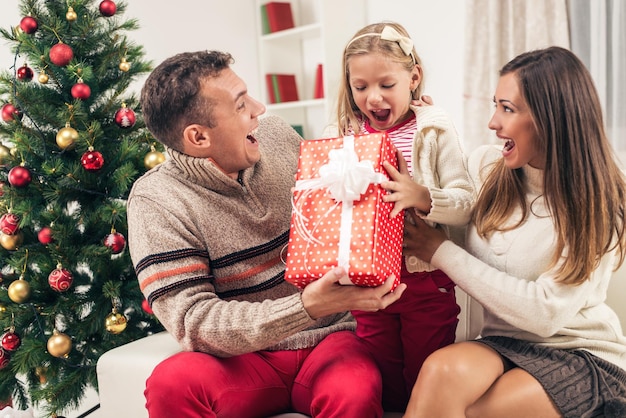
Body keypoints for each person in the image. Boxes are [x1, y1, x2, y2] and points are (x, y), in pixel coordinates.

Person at [126, 50, 407, 418]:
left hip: (329, 339)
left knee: (353, 390)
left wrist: (413, 113)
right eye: (241, 105)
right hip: (243, 361)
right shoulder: (157, 201)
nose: (259, 109)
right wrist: (306, 306)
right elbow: (195, 322)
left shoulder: (274, 135)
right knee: (171, 384)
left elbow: (351, 161)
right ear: (198, 137)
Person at [402, 46, 626, 418]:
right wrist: (426, 135)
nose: (493, 122)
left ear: (551, 117)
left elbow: (544, 314)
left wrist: (439, 250)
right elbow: (440, 224)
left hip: (579, 351)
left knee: (479, 412)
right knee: (440, 370)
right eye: (495, 105)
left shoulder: (600, 203)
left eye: (507, 108)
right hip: (502, 342)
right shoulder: (487, 167)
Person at [324, 21, 474, 412]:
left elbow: (465, 202)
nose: (373, 98)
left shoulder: (434, 130)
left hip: (426, 281)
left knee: (425, 382)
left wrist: (423, 197)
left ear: (413, 78)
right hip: (369, 285)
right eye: (361, 87)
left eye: (386, 85)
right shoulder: (343, 135)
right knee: (384, 384)